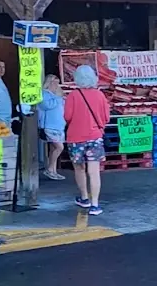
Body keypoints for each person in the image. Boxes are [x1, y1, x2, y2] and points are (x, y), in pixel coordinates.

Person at [63, 65, 110, 216]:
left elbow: (67, 116)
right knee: (94, 172)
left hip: (76, 138)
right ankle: (95, 204)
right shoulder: (100, 95)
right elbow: (106, 117)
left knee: (79, 168)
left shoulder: (72, 96)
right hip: (95, 137)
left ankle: (84, 198)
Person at [38, 74, 66, 181]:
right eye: (54, 83)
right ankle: (50, 169)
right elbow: (46, 105)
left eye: (57, 83)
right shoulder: (44, 94)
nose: (56, 85)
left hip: (59, 126)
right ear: (48, 83)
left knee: (54, 148)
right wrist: (58, 98)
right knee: (59, 147)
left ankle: (53, 171)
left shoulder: (57, 95)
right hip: (49, 126)